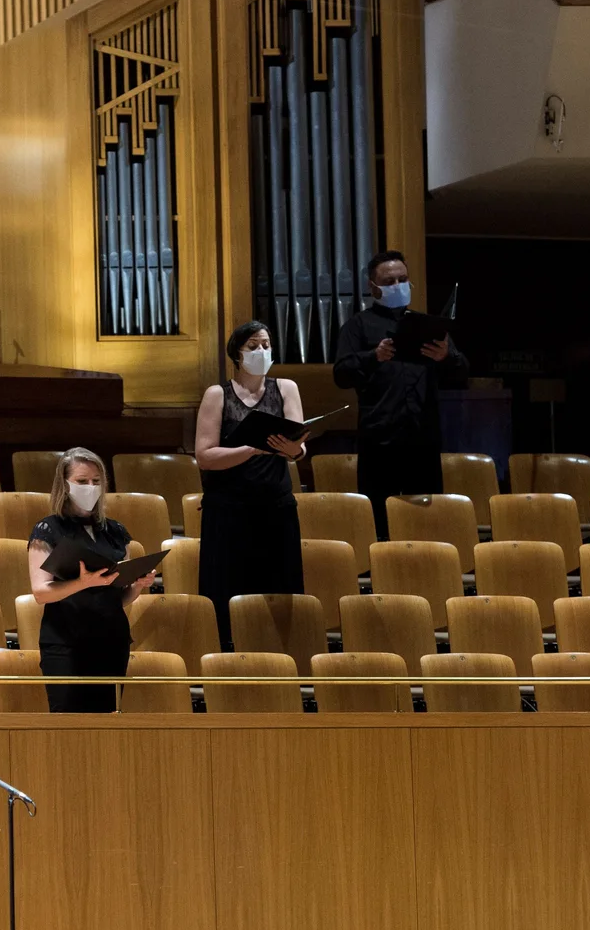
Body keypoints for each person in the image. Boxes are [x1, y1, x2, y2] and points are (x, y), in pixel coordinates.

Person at [332, 249, 470, 537]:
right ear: (373, 287)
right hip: (379, 440)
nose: (398, 285)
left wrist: (446, 357)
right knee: (379, 523)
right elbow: (341, 374)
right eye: (389, 281)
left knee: (426, 524)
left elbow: (461, 375)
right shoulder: (357, 326)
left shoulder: (429, 325)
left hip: (424, 439)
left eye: (403, 279)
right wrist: (373, 356)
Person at [195, 321, 307, 645]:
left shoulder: (286, 388)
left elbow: (299, 447)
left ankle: (278, 659)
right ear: (237, 354)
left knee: (278, 592)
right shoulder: (218, 395)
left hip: (276, 509)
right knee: (227, 591)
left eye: (266, 344)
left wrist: (293, 450)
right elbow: (205, 456)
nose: (262, 351)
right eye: (253, 346)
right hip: (228, 511)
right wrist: (252, 448)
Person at [26, 449, 156, 712]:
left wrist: (138, 586)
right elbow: (41, 592)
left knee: (107, 723)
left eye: (97, 482)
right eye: (82, 481)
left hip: (111, 641)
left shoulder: (116, 532)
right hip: (66, 643)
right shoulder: (48, 529)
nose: (91, 487)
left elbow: (120, 598)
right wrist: (83, 582)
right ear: (64, 484)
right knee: (69, 724)